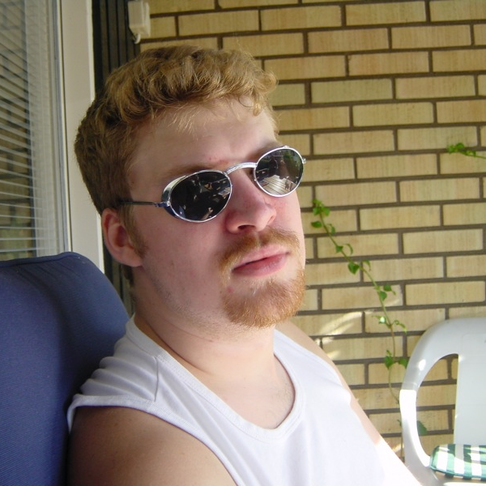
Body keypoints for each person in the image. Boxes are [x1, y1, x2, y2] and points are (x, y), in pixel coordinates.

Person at [67, 45, 420, 485]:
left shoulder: (288, 345)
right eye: (200, 191)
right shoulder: (158, 455)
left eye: (271, 168)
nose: (259, 211)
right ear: (123, 237)